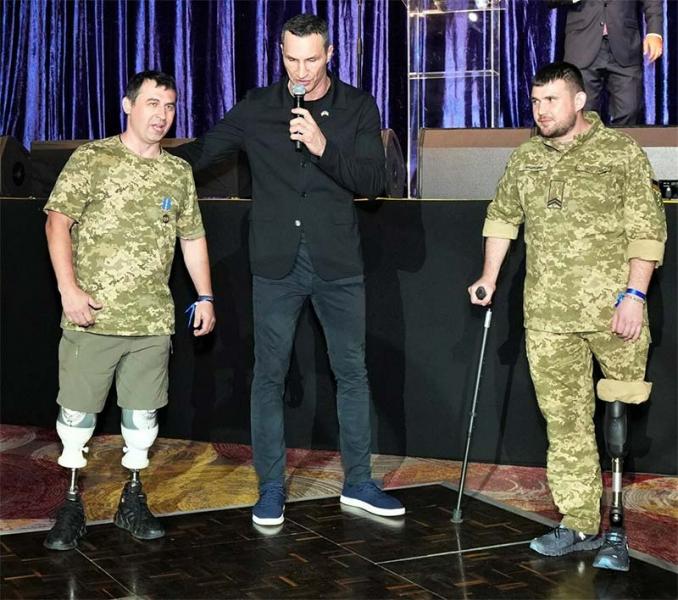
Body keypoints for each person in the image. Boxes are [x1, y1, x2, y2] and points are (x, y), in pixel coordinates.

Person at [173, 13, 404, 526]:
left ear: (330, 55)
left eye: (311, 59)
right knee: (268, 376)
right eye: (291, 59)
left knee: (351, 373)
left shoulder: (358, 106)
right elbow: (204, 151)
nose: (300, 71)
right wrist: (144, 159)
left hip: (337, 262)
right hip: (275, 263)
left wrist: (323, 146)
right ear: (280, 53)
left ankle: (358, 483)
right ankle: (271, 488)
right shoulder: (258, 107)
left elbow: (374, 180)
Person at [468, 62, 666, 571]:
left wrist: (634, 296)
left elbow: (647, 230)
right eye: (535, 101)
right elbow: (502, 218)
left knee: (618, 422)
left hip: (613, 313)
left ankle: (617, 530)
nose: (541, 110)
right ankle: (580, 523)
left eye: (551, 100)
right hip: (548, 317)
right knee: (565, 423)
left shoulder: (619, 153)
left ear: (579, 101)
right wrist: (489, 275)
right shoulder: (526, 158)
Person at [43, 70, 216, 550]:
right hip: (92, 317)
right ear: (128, 105)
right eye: (152, 103)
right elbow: (57, 224)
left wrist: (205, 296)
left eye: (170, 106)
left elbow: (192, 238)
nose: (162, 115)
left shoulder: (177, 173)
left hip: (151, 322)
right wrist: (69, 291)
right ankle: (71, 504)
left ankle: (132, 500)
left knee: (142, 422)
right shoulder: (92, 158)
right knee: (76, 420)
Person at [547, 0, 663, 125]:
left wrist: (654, 32)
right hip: (582, 46)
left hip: (625, 44)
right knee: (582, 112)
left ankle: (620, 139)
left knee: (630, 109)